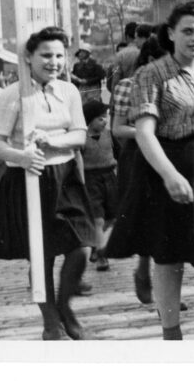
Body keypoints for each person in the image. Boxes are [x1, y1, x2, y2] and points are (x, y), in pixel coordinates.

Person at [108, 2, 194, 340]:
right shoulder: (152, 74)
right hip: (167, 169)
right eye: (188, 31)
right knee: (169, 260)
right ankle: (172, 335)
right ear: (171, 34)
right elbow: (144, 132)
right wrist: (170, 175)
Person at [0, 26, 98, 340]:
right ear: (29, 58)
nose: (54, 62)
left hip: (65, 176)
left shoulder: (69, 91)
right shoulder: (13, 95)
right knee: (41, 254)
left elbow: (79, 135)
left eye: (60, 55)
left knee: (82, 246)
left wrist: (54, 140)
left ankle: (64, 307)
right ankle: (51, 322)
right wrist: (22, 157)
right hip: (28, 177)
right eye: (46, 55)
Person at [105, 34, 169, 306]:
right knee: (146, 216)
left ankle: (167, 288)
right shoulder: (127, 86)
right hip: (139, 155)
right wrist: (147, 132)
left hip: (173, 152)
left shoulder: (178, 82)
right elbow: (118, 128)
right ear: (152, 59)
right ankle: (144, 271)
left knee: (171, 219)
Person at [81, 99, 117, 272]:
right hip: (91, 179)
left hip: (109, 177)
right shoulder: (81, 139)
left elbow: (118, 153)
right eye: (100, 118)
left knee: (112, 217)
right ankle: (102, 256)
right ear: (90, 120)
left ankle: (97, 244)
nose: (104, 121)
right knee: (98, 219)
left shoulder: (109, 135)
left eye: (106, 117)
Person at [106, 22, 151, 93]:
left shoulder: (120, 55)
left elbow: (115, 83)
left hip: (124, 94)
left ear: (127, 36)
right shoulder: (147, 53)